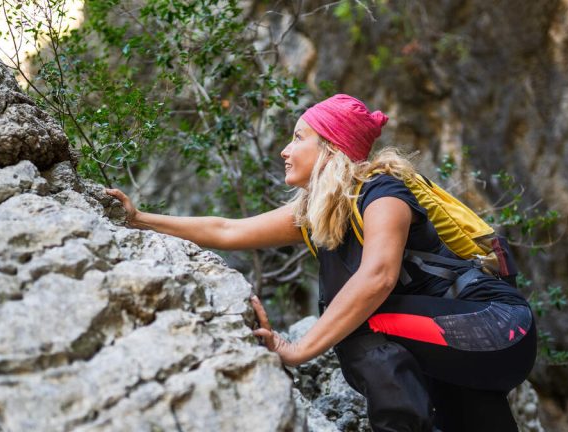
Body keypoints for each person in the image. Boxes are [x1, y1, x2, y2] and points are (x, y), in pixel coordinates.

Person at [105, 94, 537, 431]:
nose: (284, 151)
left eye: (297, 137)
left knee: (363, 324)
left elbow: (378, 278)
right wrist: (140, 219)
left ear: (331, 147)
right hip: (451, 346)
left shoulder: (383, 193)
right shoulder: (318, 213)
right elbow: (227, 231)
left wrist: (299, 349)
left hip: (496, 327)